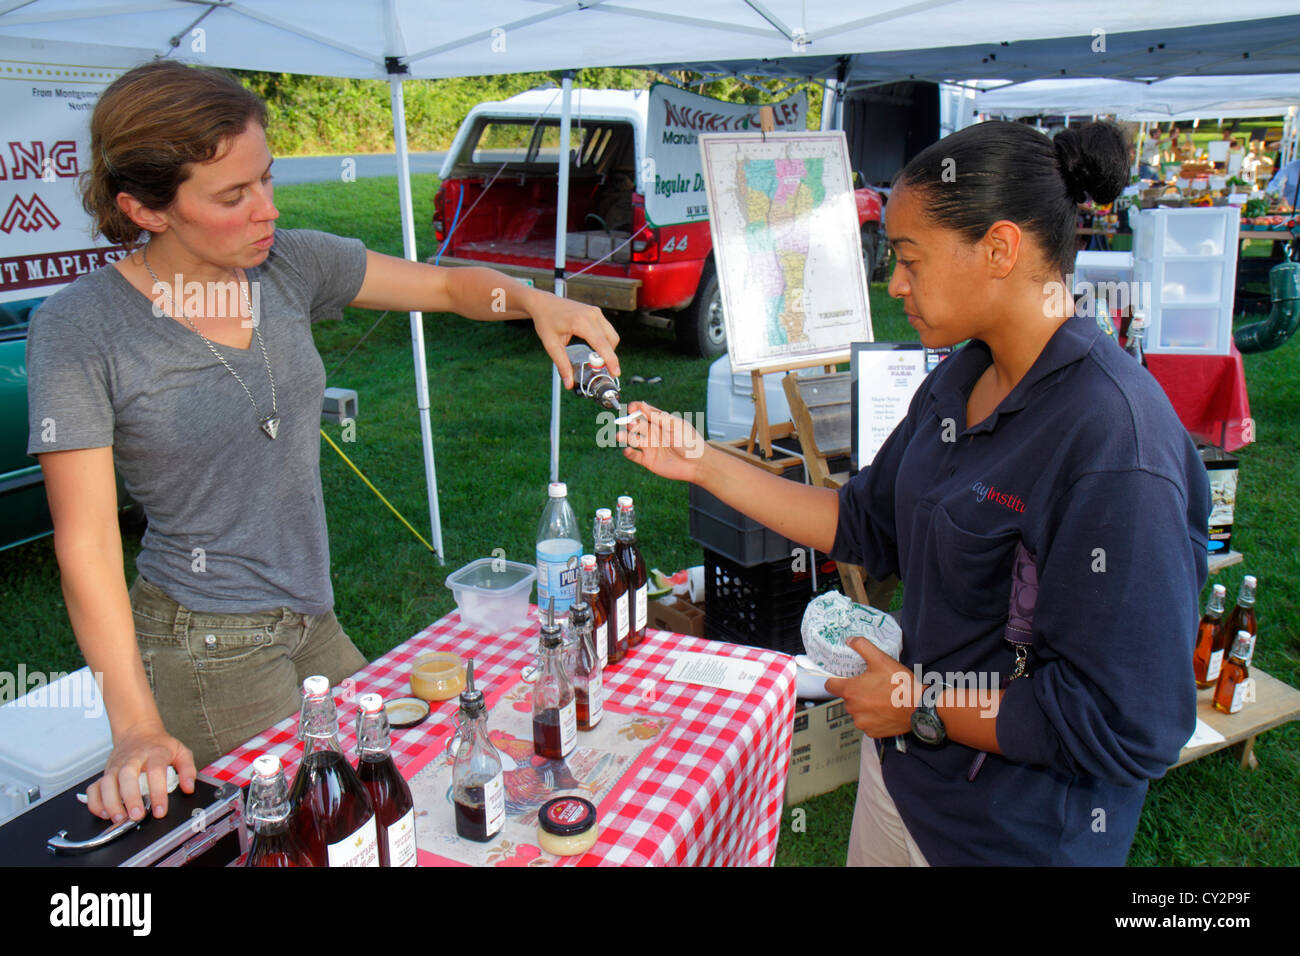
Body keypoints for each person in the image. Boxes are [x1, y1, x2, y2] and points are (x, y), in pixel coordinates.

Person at [26, 61, 620, 828]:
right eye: (233, 197)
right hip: (207, 641)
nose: (266, 210)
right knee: (316, 833)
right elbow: (87, 547)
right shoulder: (81, 330)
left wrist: (535, 298)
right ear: (145, 209)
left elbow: (444, 288)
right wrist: (136, 726)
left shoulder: (287, 265)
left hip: (313, 614)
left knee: (394, 800)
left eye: (266, 180)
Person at [620, 120, 1209, 865]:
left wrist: (922, 701)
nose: (894, 283)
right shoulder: (959, 380)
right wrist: (702, 462)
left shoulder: (1116, 448)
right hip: (902, 780)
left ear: (999, 249)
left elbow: (1130, 722)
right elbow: (862, 523)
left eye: (909, 258)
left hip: (1009, 836)